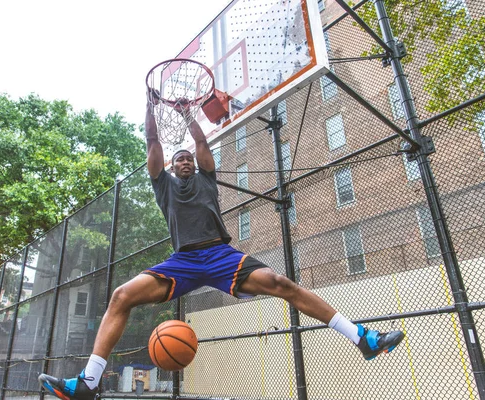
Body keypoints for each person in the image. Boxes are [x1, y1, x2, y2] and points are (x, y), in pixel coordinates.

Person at [39, 92, 405, 400]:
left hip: (219, 256)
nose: (184, 161)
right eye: (178, 159)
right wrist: (150, 108)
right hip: (182, 261)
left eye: (188, 159)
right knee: (121, 296)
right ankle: (88, 382)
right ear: (170, 166)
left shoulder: (207, 178)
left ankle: (362, 338)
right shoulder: (163, 185)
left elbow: (200, 144)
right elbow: (152, 142)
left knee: (282, 284)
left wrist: (186, 115)